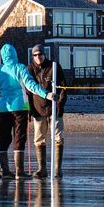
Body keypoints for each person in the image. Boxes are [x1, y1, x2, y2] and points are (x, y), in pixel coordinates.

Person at [0, 44, 58, 180]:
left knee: (3, 138)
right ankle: (19, 171)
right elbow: (30, 85)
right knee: (19, 137)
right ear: (15, 54)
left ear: (3, 56)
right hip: (20, 107)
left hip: (3, 107)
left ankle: (5, 171)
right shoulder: (20, 68)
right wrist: (46, 94)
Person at [27, 44, 67, 179]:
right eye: (35, 55)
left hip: (54, 109)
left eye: (40, 54)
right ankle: (42, 168)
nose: (38, 57)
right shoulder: (30, 69)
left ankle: (57, 169)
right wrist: (31, 110)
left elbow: (63, 88)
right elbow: (28, 92)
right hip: (38, 110)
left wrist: (60, 106)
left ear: (44, 54)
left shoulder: (54, 67)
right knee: (39, 138)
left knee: (57, 137)